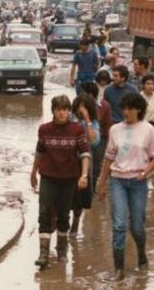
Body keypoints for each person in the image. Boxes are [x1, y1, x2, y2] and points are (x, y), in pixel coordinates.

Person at [96, 93, 154, 281]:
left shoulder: (148, 130)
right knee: (119, 225)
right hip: (117, 181)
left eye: (130, 108)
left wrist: (145, 173)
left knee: (137, 226)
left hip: (138, 182)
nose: (126, 112)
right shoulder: (115, 129)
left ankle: (141, 253)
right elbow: (108, 158)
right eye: (124, 108)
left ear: (139, 109)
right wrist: (102, 183)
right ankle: (119, 269)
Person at [30, 95, 91, 269]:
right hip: (48, 176)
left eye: (65, 110)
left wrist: (84, 175)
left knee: (64, 214)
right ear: (53, 111)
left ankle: (62, 250)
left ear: (69, 111)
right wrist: (33, 172)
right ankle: (43, 253)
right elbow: (39, 152)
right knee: (44, 211)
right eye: (59, 110)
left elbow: (85, 154)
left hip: (69, 179)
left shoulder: (77, 129)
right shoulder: (44, 129)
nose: (62, 113)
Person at [68, 92, 101, 237]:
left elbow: (94, 141)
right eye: (79, 107)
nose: (81, 110)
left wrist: (87, 119)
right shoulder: (68, 119)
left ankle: (75, 223)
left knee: (80, 197)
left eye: (84, 108)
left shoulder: (93, 123)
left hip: (84, 163)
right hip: (67, 162)